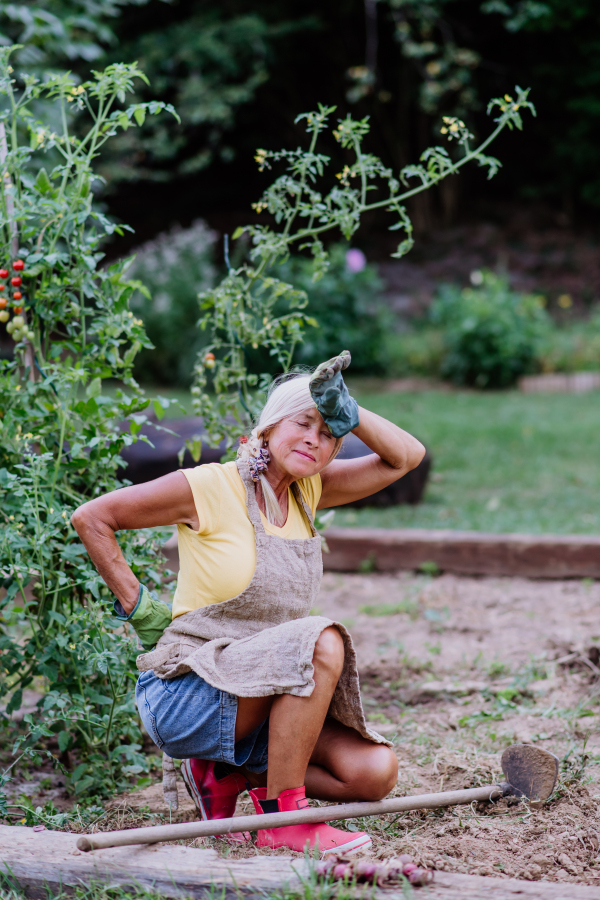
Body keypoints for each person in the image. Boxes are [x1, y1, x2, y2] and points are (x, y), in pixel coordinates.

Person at [72, 351, 425, 855]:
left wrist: (352, 409)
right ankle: (284, 818)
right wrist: (140, 609)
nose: (313, 439)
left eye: (328, 433)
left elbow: (405, 458)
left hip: (263, 695)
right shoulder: (210, 486)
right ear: (268, 428)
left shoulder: (309, 491)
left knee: (373, 773)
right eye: (303, 422)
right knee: (322, 640)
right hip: (188, 690)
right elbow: (92, 517)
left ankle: (227, 771)